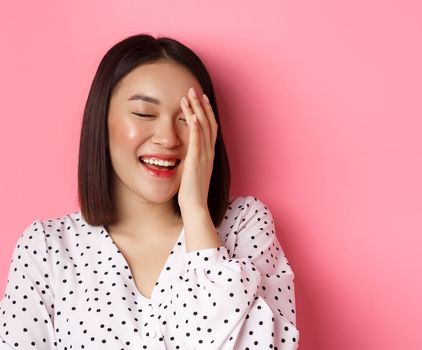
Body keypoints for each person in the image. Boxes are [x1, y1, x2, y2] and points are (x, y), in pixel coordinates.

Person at [0, 34, 299, 349]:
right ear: (101, 122)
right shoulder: (47, 247)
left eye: (188, 119)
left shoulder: (243, 226)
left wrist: (195, 209)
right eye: (144, 114)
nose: (168, 138)